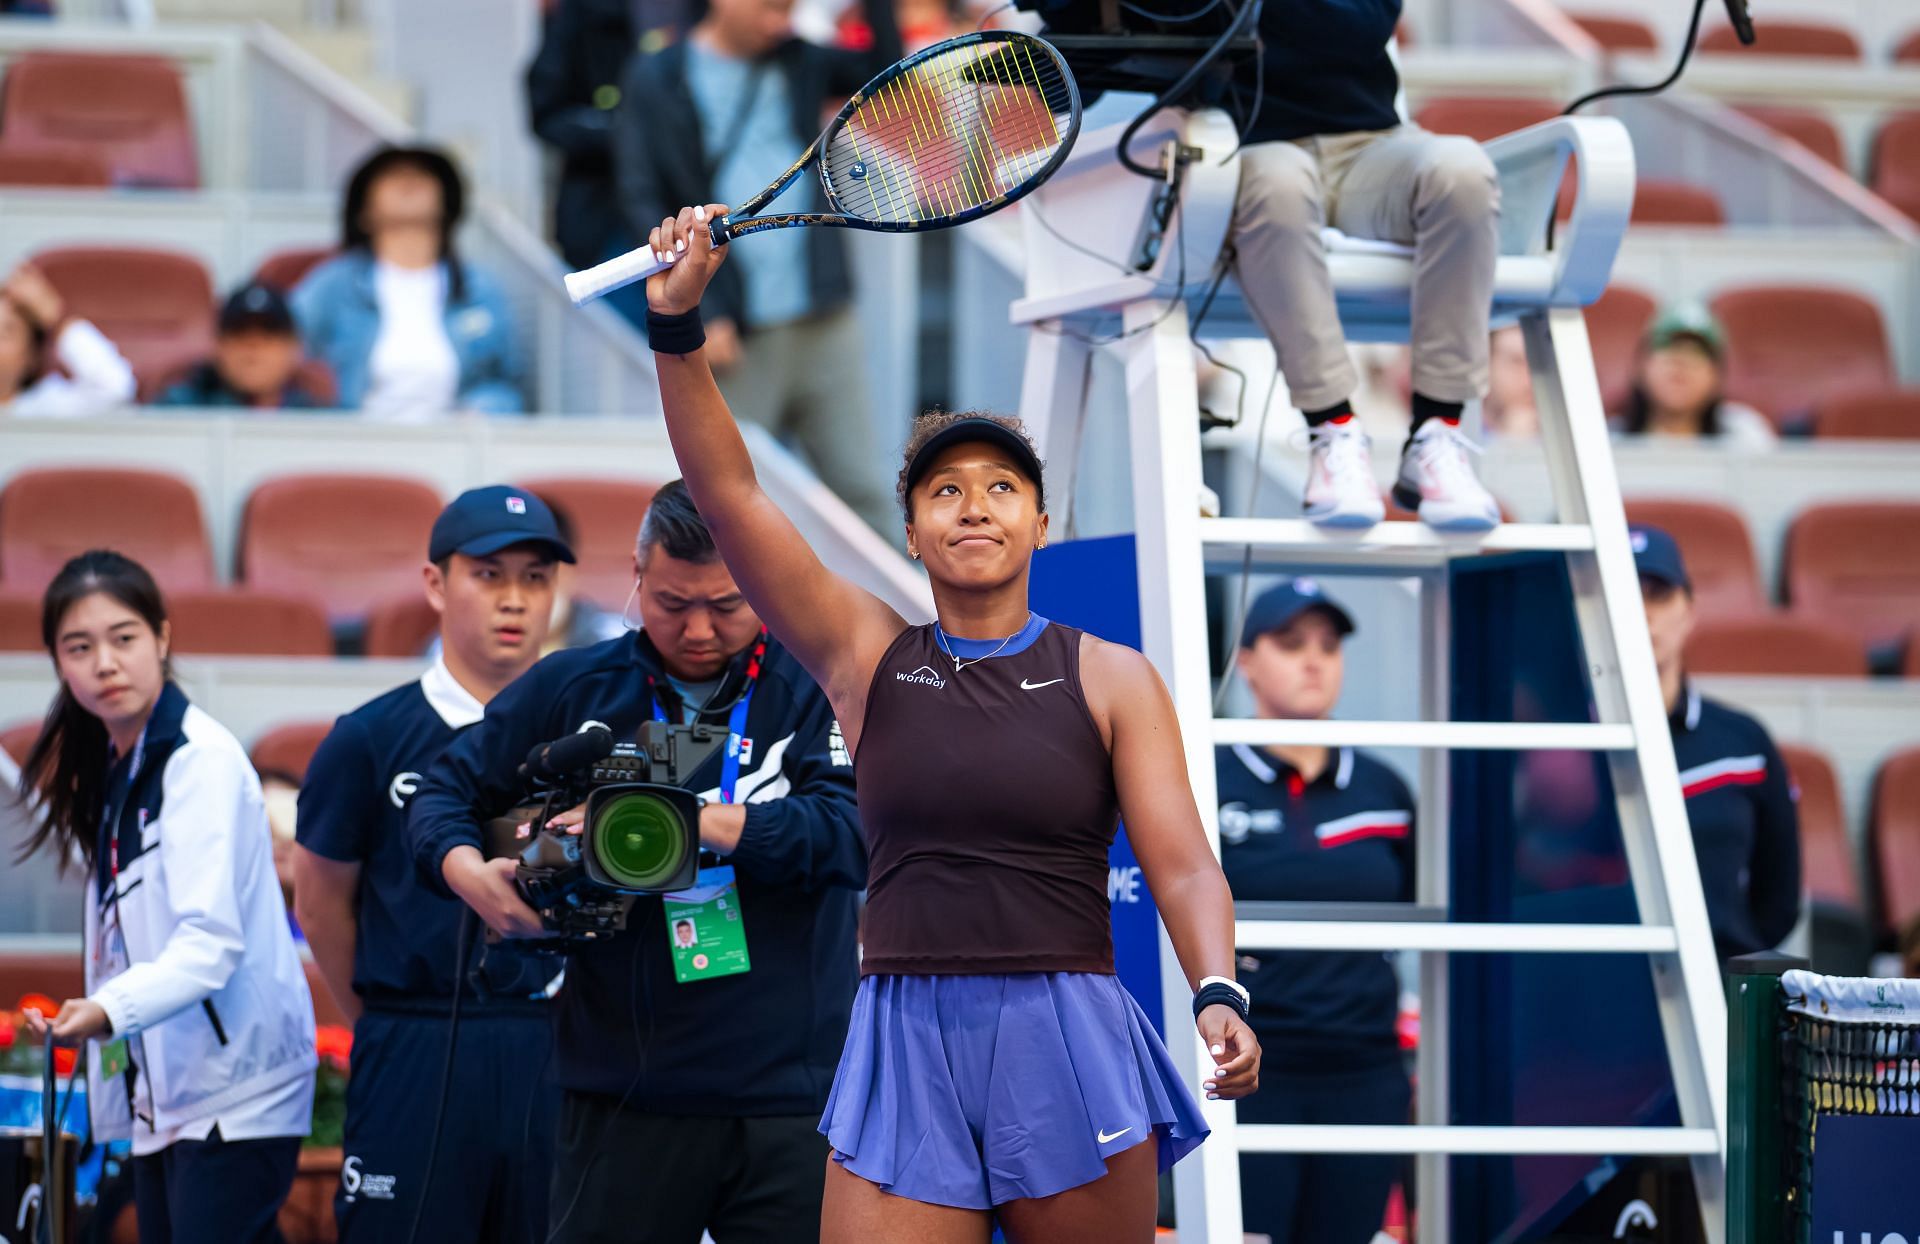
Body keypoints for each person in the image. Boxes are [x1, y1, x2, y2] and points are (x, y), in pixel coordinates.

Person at [638, 205, 1260, 1241]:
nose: (975, 505)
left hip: (1066, 1029)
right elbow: (731, 492)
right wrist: (677, 328)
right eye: (946, 490)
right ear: (914, 526)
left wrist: (1218, 988)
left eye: (1002, 487)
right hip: (903, 1029)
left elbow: (1185, 864)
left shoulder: (1111, 674)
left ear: (1040, 523)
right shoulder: (866, 651)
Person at [408, 478, 865, 1244]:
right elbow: (439, 788)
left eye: (725, 605)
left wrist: (698, 823)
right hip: (621, 1091)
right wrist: (467, 873)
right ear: (636, 573)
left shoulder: (816, 683)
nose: (696, 630)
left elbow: (853, 834)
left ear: (760, 582)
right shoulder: (576, 685)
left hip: (794, 1093)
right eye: (670, 601)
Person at [292, 486, 573, 1243]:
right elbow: (320, 904)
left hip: (559, 1043)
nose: (515, 599)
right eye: (489, 575)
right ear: (435, 584)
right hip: (411, 1038)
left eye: (536, 577)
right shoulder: (368, 737)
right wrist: (388, 1022)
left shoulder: (588, 736)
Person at [18, 551, 316, 1244]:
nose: (105, 663)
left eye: (123, 639)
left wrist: (105, 1011)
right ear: (59, 664)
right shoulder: (119, 768)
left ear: (162, 638)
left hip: (238, 1088)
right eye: (79, 647)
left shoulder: (200, 761)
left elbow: (209, 946)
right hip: (170, 1091)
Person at [611, 0, 901, 536]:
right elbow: (643, 196)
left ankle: (910, 619)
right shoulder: (658, 76)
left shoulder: (801, 59)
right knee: (719, 509)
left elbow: (887, 76)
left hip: (821, 318)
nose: (784, 14)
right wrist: (706, 311)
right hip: (735, 334)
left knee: (863, 493)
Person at [1225, 0, 1502, 532]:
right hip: (1248, 147)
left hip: (1368, 145)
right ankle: (1332, 428)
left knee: (1463, 172)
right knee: (1280, 182)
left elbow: (1353, 27)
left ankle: (1438, 429)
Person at [1216, 578, 1414, 1244]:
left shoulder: (1386, 788)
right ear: (1244, 661)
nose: (1313, 660)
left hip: (1365, 1071)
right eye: (1291, 642)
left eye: (1329, 646)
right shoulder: (1207, 777)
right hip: (1247, 1074)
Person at [1632, 525, 1801, 959]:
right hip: (1593, 991)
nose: (1642, 612)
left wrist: (1726, 964)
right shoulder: (1564, 744)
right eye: (1625, 592)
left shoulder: (1744, 744)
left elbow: (1779, 898)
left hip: (1720, 998)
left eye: (1659, 594)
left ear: (1689, 610)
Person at [293, 145, 524, 418]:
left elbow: (507, 384)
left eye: (424, 174)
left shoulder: (479, 289)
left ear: (446, 204)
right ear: (364, 212)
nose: (409, 180)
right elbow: (286, 358)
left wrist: (480, 411)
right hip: (353, 449)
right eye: (390, 174)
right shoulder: (331, 285)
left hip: (451, 450)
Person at [1613, 302, 1776, 450]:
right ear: (1640, 366)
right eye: (1670, 348)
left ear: (1717, 377)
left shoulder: (1745, 438)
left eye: (1697, 353)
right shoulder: (1606, 441)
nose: (1682, 362)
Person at [156, 282, 330, 410]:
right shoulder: (178, 412)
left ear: (294, 348)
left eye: (268, 334)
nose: (253, 345)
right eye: (239, 332)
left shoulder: (318, 422)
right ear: (217, 345)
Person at [0, 261, 137, 417]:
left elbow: (113, 388)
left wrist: (55, 314)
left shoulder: (45, 407)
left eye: (5, 334)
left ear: (31, 358)